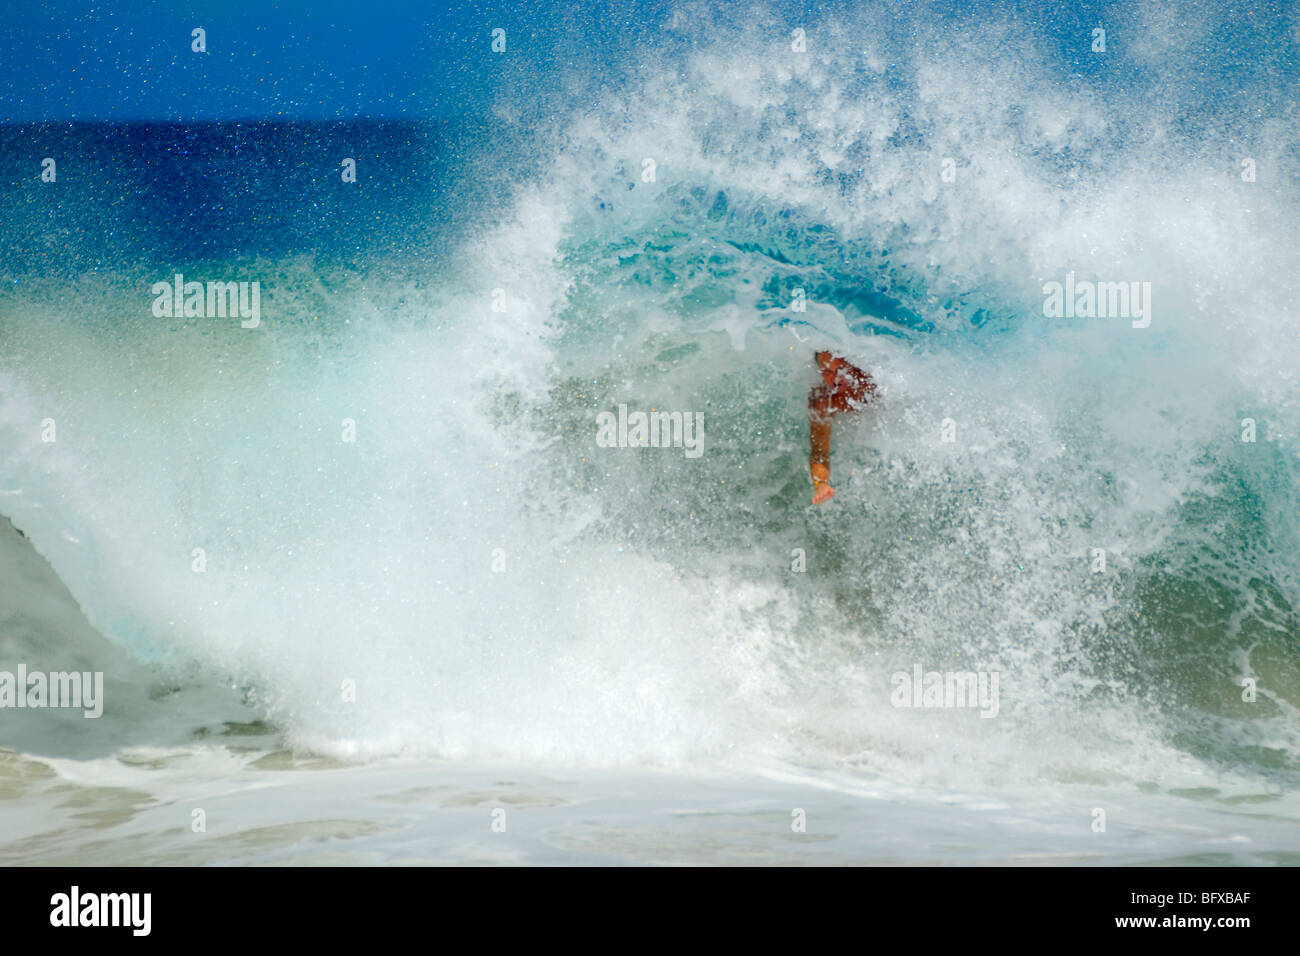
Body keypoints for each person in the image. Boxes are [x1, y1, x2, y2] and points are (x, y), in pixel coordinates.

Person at [808, 350, 877, 504]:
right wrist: (821, 483)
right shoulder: (822, 399)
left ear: (852, 366)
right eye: (827, 372)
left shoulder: (870, 383)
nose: (834, 379)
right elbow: (819, 450)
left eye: (839, 370)